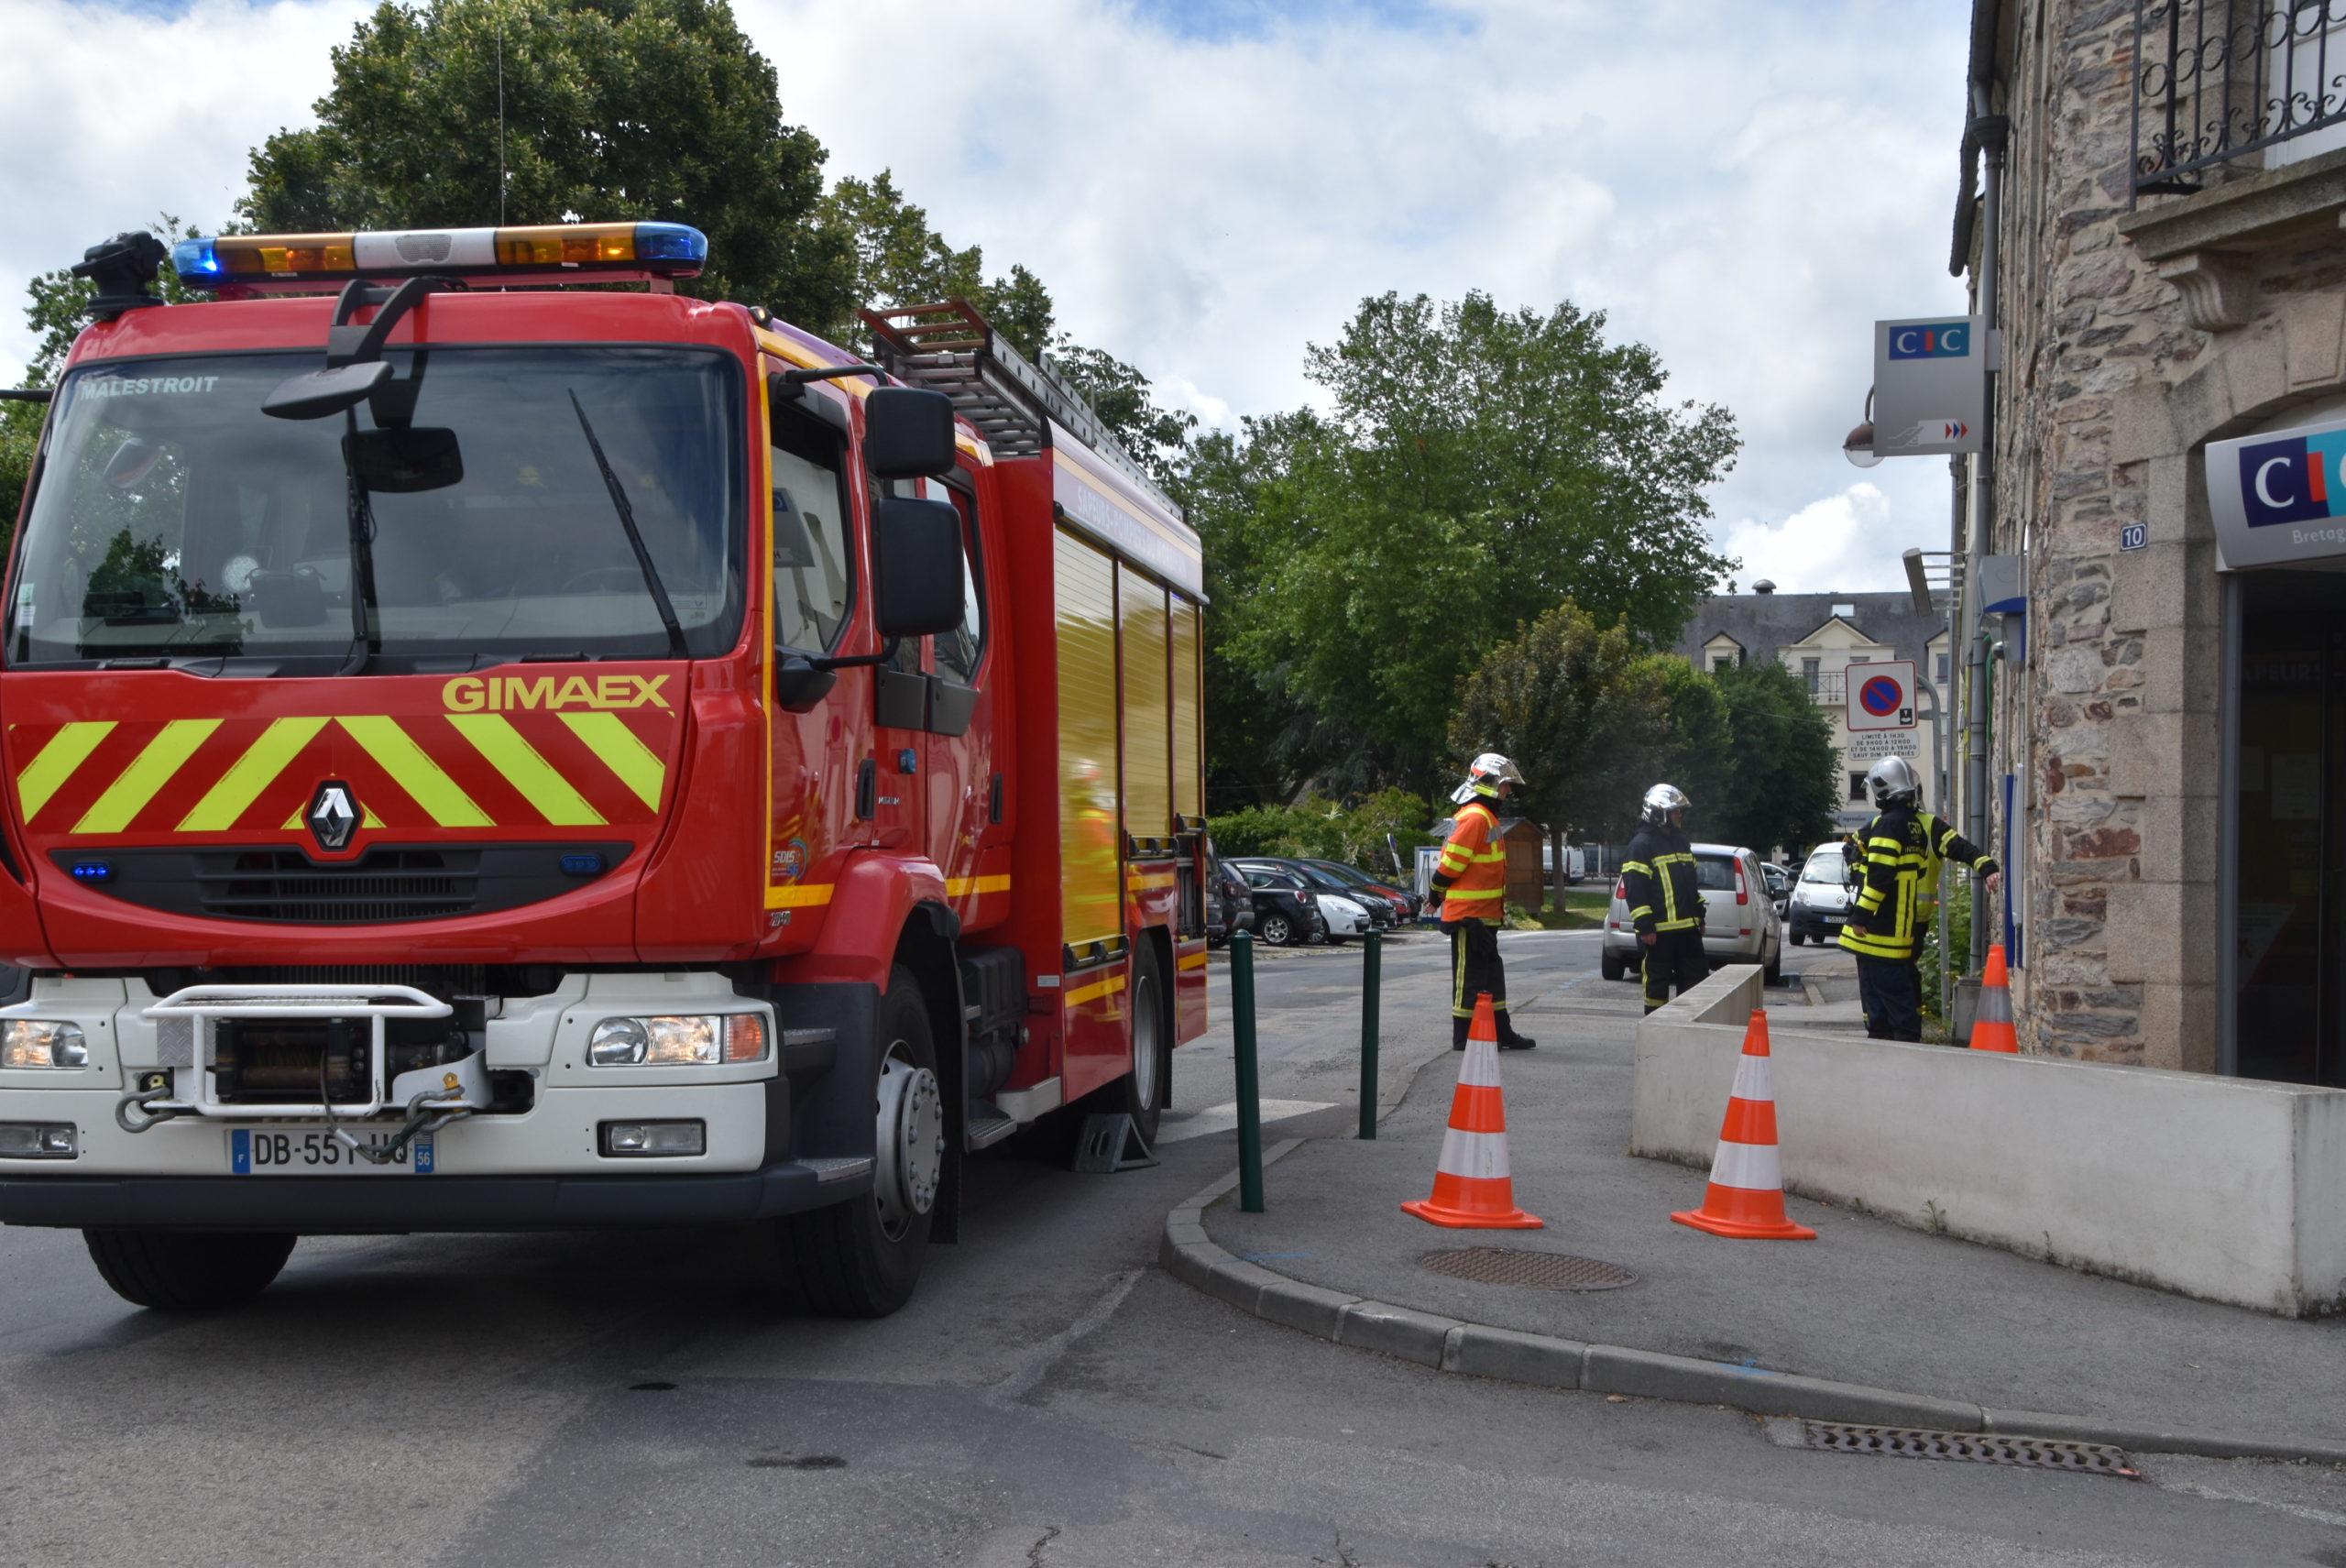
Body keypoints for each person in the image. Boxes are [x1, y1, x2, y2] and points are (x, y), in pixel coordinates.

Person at [1837, 755, 2001, 1042]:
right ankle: (1887, 1036)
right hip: (1903, 921)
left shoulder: (1893, 825)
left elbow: (1879, 877)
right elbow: (1858, 852)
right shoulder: (1912, 825)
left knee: (1890, 989)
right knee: (1893, 988)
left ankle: (1893, 1040)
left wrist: (1860, 912)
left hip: (1887, 924)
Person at [1429, 752, 1536, 1051]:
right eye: (1505, 785)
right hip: (1469, 916)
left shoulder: (1484, 816)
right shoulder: (1476, 817)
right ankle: (1463, 1038)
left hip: (1484, 915)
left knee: (1491, 977)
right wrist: (1435, 893)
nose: (1508, 790)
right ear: (1489, 784)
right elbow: (1451, 865)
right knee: (1470, 980)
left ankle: (1502, 1031)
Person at [1621, 784, 1707, 1014]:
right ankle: (1655, 1025)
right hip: (1658, 933)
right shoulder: (1641, 845)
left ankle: (1685, 1025)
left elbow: (1690, 885)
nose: (1679, 815)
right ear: (1659, 813)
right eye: (1675, 811)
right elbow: (1635, 890)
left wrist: (1699, 915)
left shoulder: (1681, 842)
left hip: (1688, 931)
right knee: (1657, 986)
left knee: (1694, 983)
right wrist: (1645, 926)